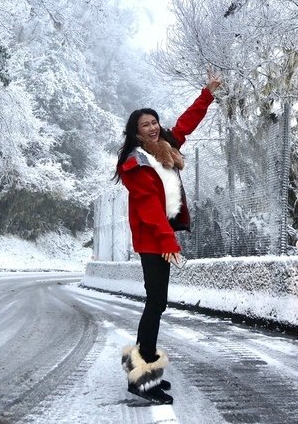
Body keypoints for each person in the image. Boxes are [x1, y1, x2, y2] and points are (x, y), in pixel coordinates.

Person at [114, 70, 221, 405]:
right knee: (155, 302)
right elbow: (148, 209)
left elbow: (187, 123)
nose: (153, 127)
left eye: (155, 122)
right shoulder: (135, 164)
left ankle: (141, 368)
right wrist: (168, 243)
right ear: (135, 131)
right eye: (145, 124)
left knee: (157, 302)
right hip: (153, 239)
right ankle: (140, 376)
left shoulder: (165, 148)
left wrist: (207, 93)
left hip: (164, 236)